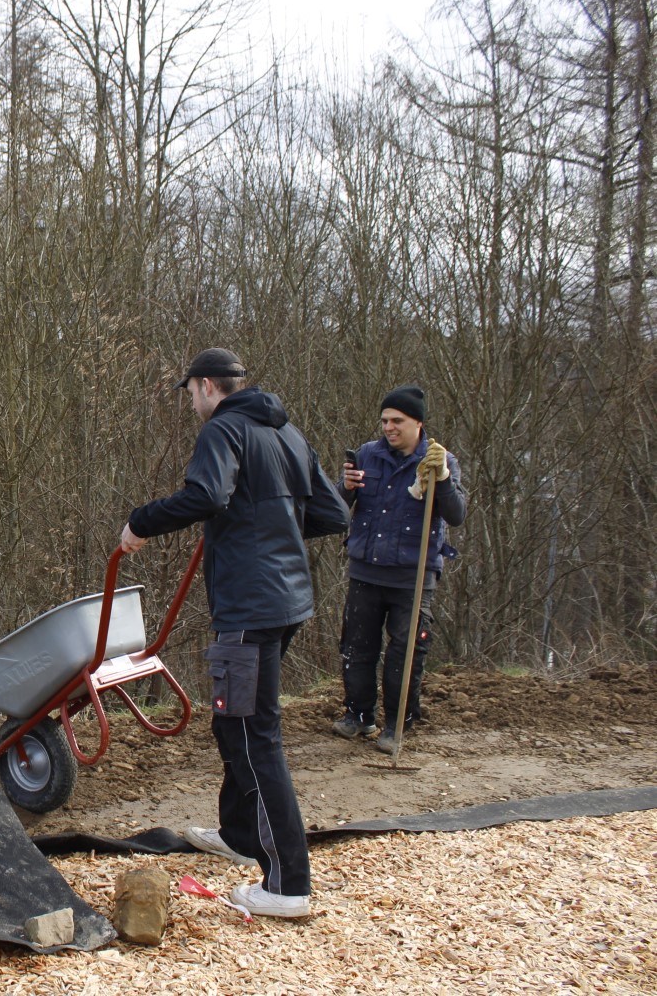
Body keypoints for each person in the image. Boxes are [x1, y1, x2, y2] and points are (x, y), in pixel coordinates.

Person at [120, 348, 348, 919]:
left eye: (190, 393)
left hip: (249, 607)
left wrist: (140, 522)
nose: (192, 403)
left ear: (205, 386)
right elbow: (332, 513)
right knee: (233, 723)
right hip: (288, 601)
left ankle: (287, 884)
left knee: (252, 734)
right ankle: (240, 834)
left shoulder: (222, 431)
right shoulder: (287, 433)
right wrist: (268, 527)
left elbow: (207, 496)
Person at [333, 385, 467, 754]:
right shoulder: (366, 455)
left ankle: (397, 724)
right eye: (385, 421)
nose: (389, 427)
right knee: (356, 648)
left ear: (418, 423)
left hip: (413, 575)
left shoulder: (440, 461)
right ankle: (358, 715)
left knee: (405, 654)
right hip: (366, 570)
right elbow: (336, 510)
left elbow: (456, 514)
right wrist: (345, 488)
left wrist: (441, 478)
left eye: (397, 421)